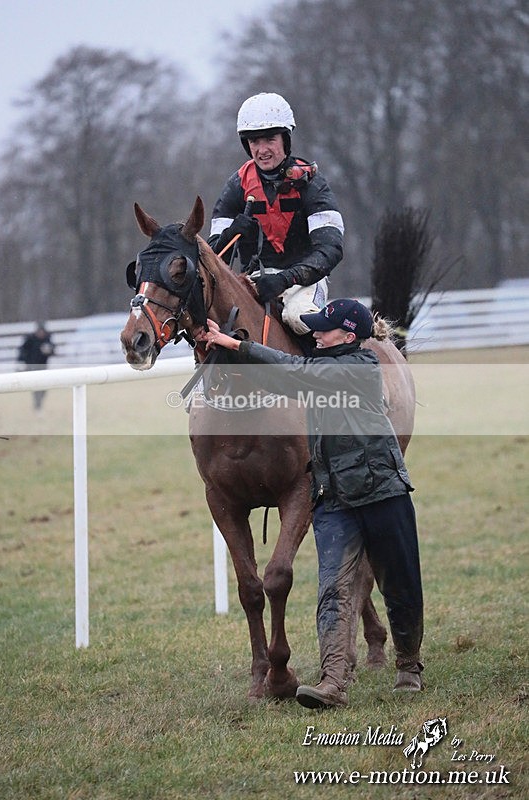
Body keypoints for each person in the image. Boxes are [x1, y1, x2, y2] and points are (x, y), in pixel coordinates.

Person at [195, 299, 424, 708]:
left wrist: (240, 347)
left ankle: (408, 664)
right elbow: (285, 377)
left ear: (349, 336)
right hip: (334, 498)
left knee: (400, 584)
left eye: (324, 328)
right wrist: (229, 346)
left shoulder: (358, 367)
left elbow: (296, 372)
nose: (314, 332)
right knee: (331, 591)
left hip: (381, 494)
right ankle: (334, 681)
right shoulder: (324, 367)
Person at [208, 92, 345, 336]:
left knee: (297, 317)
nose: (262, 150)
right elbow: (213, 257)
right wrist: (232, 234)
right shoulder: (235, 186)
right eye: (254, 142)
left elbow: (330, 249)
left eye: (269, 139)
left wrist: (285, 279)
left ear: (285, 139)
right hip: (252, 283)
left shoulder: (312, 184)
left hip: (304, 282)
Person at [17, 322, 55, 411]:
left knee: (44, 387)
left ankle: (39, 404)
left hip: (43, 367)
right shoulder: (30, 339)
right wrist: (22, 363)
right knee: (35, 387)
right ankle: (37, 405)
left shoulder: (47, 339)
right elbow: (22, 351)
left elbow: (53, 351)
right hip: (32, 366)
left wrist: (49, 350)